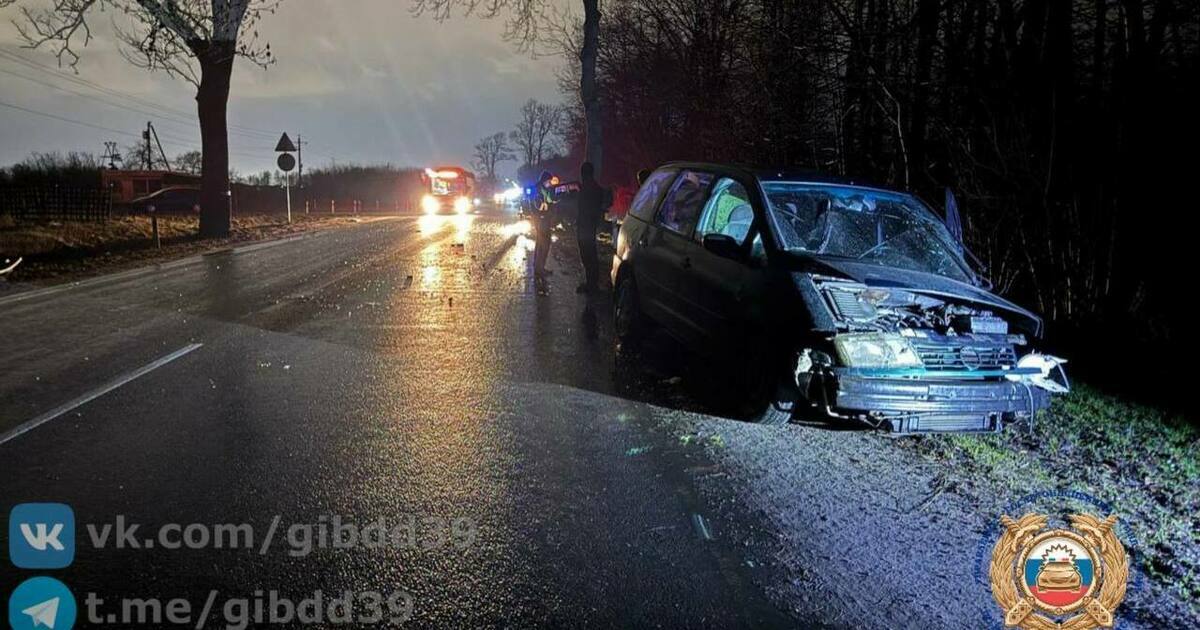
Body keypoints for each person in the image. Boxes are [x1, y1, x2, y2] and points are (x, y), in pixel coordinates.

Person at [575, 162, 606, 293]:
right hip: (590, 225)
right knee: (590, 254)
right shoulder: (595, 188)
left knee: (587, 255)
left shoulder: (586, 189)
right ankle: (592, 283)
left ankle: (592, 284)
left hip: (585, 226)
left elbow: (582, 207)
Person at [532, 170, 557, 290]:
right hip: (541, 220)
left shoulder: (544, 189)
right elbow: (540, 205)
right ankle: (539, 269)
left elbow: (549, 201)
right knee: (543, 245)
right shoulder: (538, 190)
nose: (549, 183)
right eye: (548, 181)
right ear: (544, 180)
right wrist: (547, 207)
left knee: (542, 244)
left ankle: (540, 268)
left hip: (544, 220)